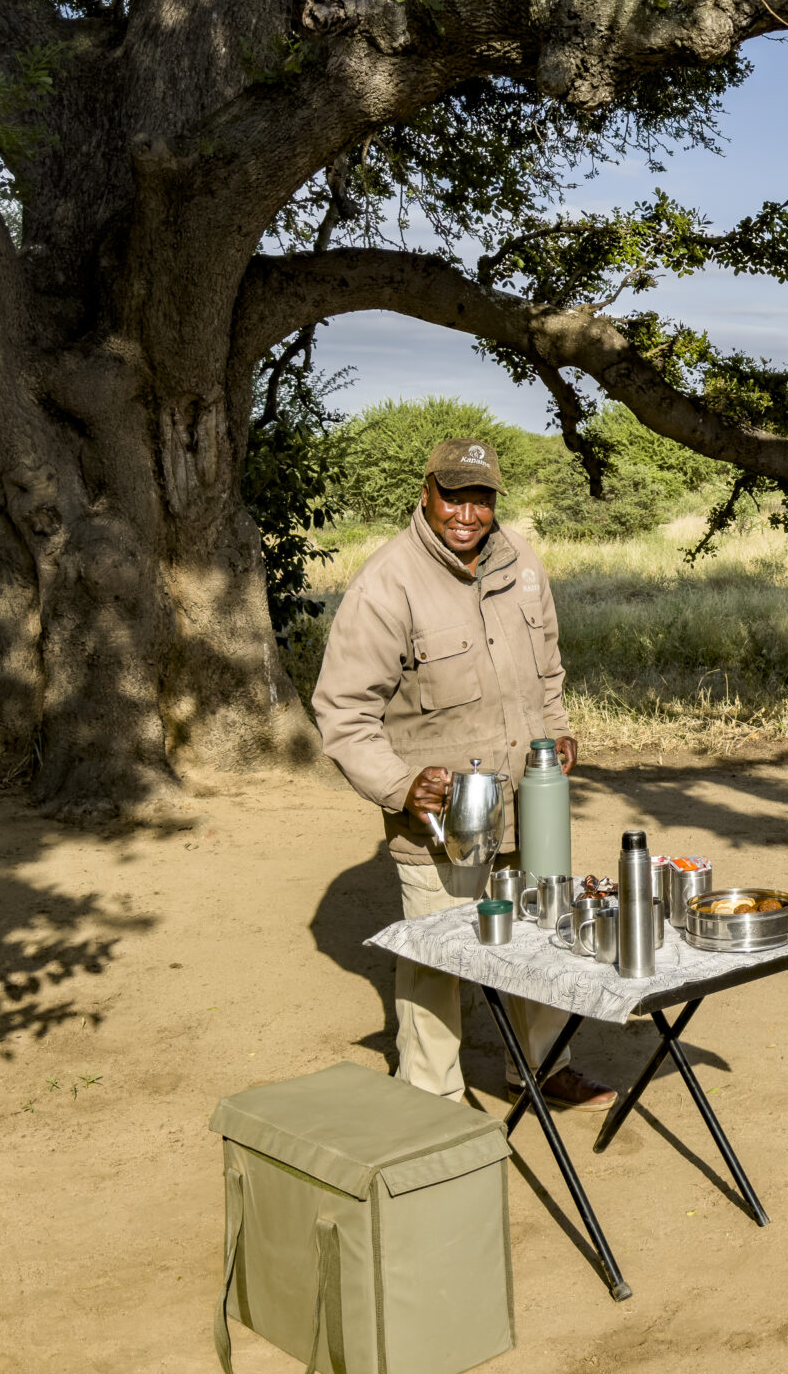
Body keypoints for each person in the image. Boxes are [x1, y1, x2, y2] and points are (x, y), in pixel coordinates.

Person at [312, 437, 616, 1108]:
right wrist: (399, 785)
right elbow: (341, 711)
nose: (467, 513)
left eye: (480, 498)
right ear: (427, 492)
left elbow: (549, 673)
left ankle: (540, 1065)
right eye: (453, 495)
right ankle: (430, 1101)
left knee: (541, 932)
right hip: (442, 815)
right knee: (438, 958)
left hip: (530, 799)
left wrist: (558, 733)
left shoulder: (522, 566)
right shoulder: (387, 583)